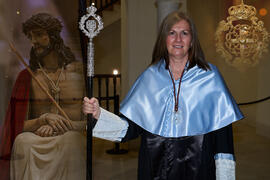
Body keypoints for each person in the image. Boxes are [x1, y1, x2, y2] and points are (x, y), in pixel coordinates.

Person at [83, 11, 244, 180]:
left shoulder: (210, 77)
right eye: (172, 33)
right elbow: (130, 129)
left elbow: (223, 140)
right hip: (155, 167)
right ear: (164, 39)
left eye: (185, 33)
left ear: (192, 40)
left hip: (199, 168)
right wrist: (98, 114)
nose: (178, 40)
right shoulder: (150, 77)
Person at [0, 13, 86, 180]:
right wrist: (43, 119)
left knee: (71, 141)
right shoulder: (28, 77)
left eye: (39, 34)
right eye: (31, 36)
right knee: (23, 142)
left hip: (70, 133)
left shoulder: (77, 72)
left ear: (53, 36)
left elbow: (92, 122)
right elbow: (16, 126)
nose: (34, 41)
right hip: (38, 135)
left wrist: (64, 126)